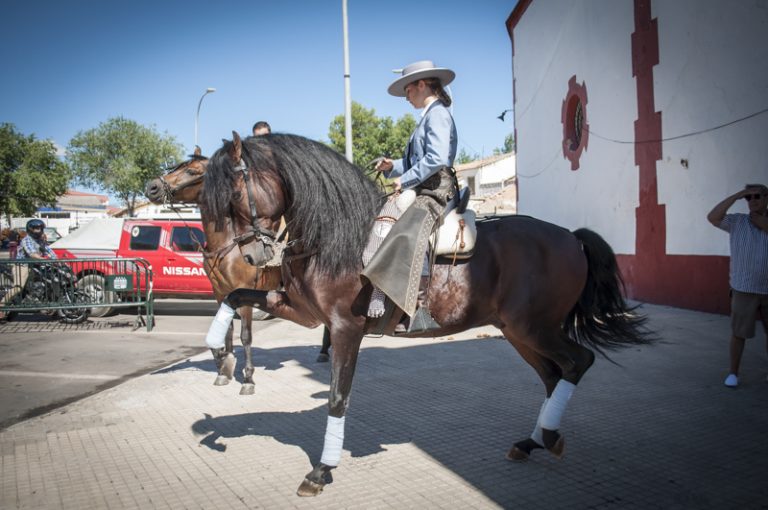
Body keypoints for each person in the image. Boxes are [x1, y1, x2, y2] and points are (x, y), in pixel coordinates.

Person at [363, 60, 458, 334]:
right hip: (423, 185)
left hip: (435, 189)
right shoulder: (428, 116)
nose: (406, 97)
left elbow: (437, 158)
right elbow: (417, 159)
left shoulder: (438, 114)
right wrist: (392, 166)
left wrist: (403, 180)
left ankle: (419, 305)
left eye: (407, 90)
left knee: (408, 228)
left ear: (421, 85)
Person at [707, 183, 768, 387]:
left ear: (766, 198)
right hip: (744, 288)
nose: (752, 201)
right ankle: (733, 373)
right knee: (738, 333)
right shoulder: (737, 222)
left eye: (757, 196)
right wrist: (736, 195)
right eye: (748, 198)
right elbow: (713, 217)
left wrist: (763, 224)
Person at [0, 219, 58, 320]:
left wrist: (57, 260)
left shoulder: (40, 240)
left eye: (40, 228)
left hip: (36, 267)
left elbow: (48, 250)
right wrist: (42, 258)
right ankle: (1, 305)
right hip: (22, 266)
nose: (38, 230)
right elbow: (32, 253)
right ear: (30, 229)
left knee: (48, 283)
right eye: (36, 228)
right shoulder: (26, 240)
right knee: (18, 287)